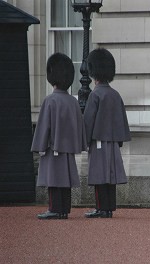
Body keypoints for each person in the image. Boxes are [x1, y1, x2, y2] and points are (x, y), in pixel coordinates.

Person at [31, 53, 86, 220]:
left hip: (53, 147)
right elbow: (79, 126)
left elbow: (44, 126)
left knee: (54, 180)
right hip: (68, 149)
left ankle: (55, 209)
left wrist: (39, 146)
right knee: (65, 181)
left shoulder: (50, 100)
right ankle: (64, 209)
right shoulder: (73, 101)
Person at [83, 48, 131, 218]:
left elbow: (88, 121)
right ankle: (109, 208)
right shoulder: (115, 94)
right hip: (112, 142)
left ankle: (101, 208)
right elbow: (122, 120)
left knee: (99, 176)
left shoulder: (95, 94)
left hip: (98, 141)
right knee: (110, 176)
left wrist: (84, 140)